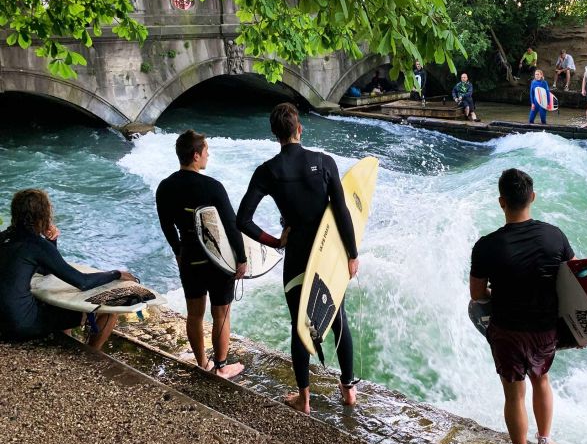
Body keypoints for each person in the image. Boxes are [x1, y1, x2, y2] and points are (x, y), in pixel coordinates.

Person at [237, 102, 359, 414]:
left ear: (275, 134)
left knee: (299, 327)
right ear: (299, 129)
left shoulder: (267, 171)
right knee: (337, 320)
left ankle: (304, 399)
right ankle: (348, 392)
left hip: (296, 259)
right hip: (327, 257)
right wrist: (351, 253)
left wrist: (276, 241)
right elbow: (342, 212)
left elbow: (243, 220)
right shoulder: (324, 162)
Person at [469, 168, 575, 444]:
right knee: (541, 380)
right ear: (533, 197)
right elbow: (571, 282)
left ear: (501, 202)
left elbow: (477, 295)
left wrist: (499, 289)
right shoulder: (555, 236)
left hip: (507, 331)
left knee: (514, 394)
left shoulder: (486, 246)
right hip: (544, 329)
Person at [156, 130, 247, 379]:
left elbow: (166, 225)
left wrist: (178, 250)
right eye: (206, 151)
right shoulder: (213, 187)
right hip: (217, 260)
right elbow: (231, 225)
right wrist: (241, 258)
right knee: (221, 313)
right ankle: (221, 366)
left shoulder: (165, 187)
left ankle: (202, 363)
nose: (208, 155)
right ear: (196, 155)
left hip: (189, 258)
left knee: (194, 314)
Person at [0, 189, 136, 348]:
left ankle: (69, 347)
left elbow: (45, 271)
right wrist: (116, 274)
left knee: (56, 308)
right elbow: (82, 282)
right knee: (109, 311)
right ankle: (92, 354)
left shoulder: (4, 237)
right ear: (43, 214)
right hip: (19, 324)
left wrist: (51, 241)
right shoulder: (37, 244)